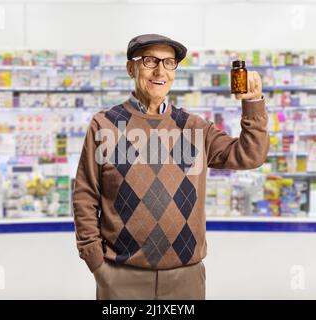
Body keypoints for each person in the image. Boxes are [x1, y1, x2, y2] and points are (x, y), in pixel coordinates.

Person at [73, 34, 269, 300]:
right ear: (131, 68)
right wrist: (97, 263)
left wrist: (253, 103)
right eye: (150, 60)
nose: (160, 70)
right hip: (121, 277)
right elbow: (85, 195)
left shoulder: (194, 127)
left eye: (169, 62)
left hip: (185, 279)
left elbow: (250, 155)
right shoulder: (104, 124)